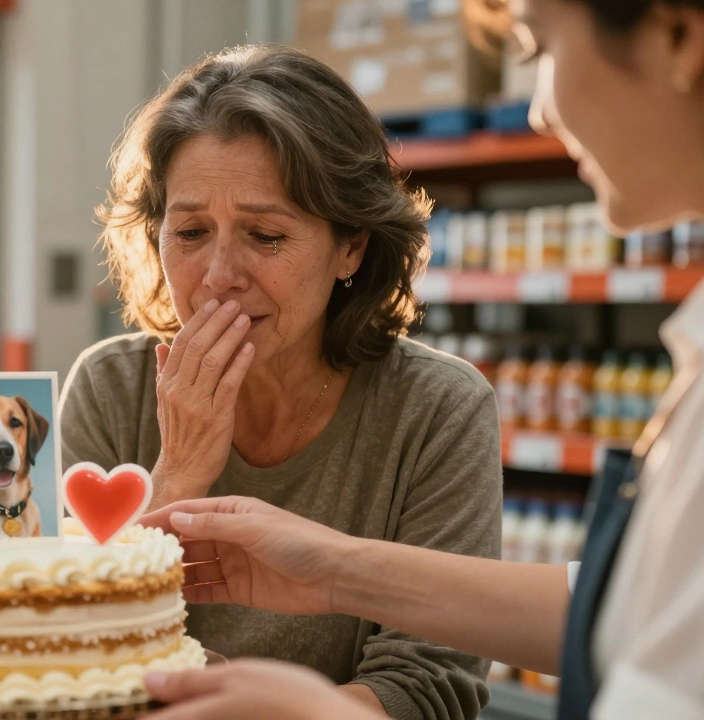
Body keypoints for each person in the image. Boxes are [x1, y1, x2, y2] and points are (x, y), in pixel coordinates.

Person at [140, 1, 704, 719]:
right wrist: (337, 570)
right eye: (190, 230)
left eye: (540, 48)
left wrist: (322, 711)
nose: (540, 111)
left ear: (678, 38)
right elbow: (632, 609)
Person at [59, 45, 502, 718]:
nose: (218, 276)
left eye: (265, 236)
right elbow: (64, 640)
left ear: (350, 245)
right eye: (190, 232)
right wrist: (176, 476)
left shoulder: (438, 409)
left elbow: (428, 686)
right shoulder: (111, 387)